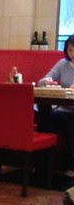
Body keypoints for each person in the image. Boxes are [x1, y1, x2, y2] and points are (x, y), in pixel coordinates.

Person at [36, 35, 74, 177]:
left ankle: (68, 166)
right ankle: (42, 167)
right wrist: (47, 81)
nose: (73, 54)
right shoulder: (62, 64)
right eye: (70, 50)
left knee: (68, 122)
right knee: (45, 115)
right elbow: (41, 82)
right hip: (62, 109)